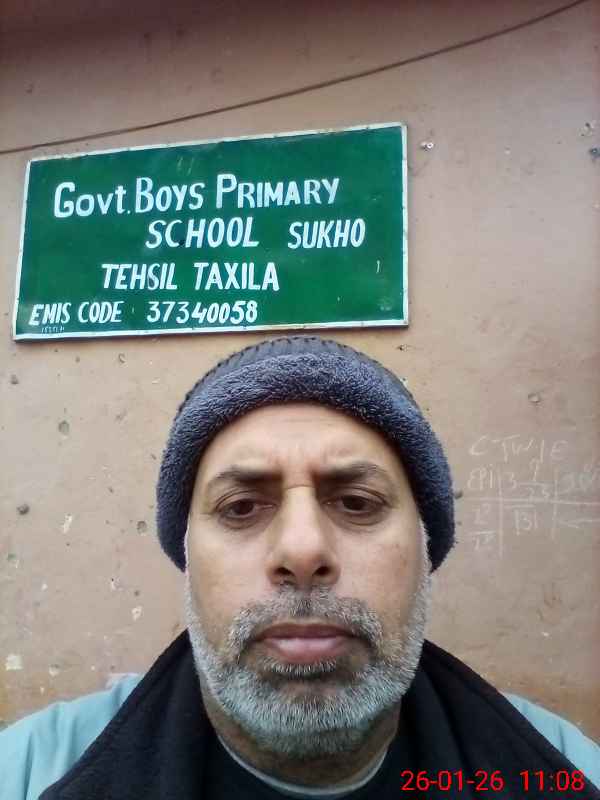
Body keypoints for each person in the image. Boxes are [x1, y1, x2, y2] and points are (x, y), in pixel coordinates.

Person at [1, 335, 599, 800]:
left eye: (357, 502)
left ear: (425, 552)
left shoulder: (561, 766)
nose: (303, 550)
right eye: (241, 507)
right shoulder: (32, 772)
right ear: (188, 560)